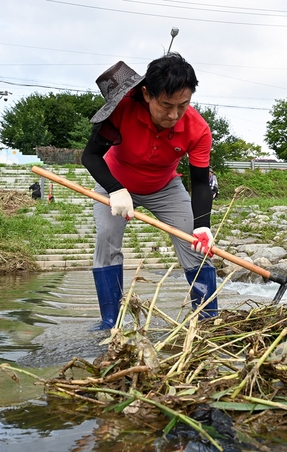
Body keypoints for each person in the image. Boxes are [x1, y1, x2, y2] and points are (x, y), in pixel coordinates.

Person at [82, 53, 218, 330]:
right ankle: (111, 322)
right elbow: (91, 156)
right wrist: (115, 189)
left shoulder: (198, 129)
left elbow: (201, 183)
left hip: (164, 187)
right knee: (106, 241)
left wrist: (202, 226)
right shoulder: (121, 110)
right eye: (166, 105)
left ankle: (207, 321)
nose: (173, 115)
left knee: (196, 248)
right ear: (146, 94)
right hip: (116, 183)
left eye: (183, 105)